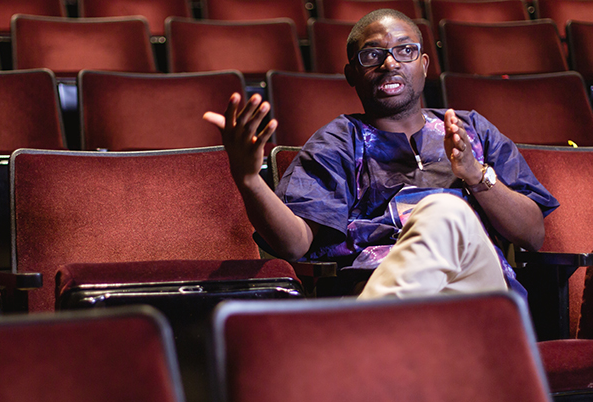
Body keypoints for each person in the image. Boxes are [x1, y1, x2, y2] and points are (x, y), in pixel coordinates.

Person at [203, 9, 559, 299]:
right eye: (373, 55)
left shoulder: (473, 130)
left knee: (447, 211)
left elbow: (532, 235)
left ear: (423, 64)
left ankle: (366, 343)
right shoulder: (338, 141)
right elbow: (296, 244)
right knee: (444, 209)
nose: (390, 63)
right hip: (379, 280)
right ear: (352, 74)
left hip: (480, 288)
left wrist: (476, 176)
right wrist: (249, 179)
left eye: (405, 51)